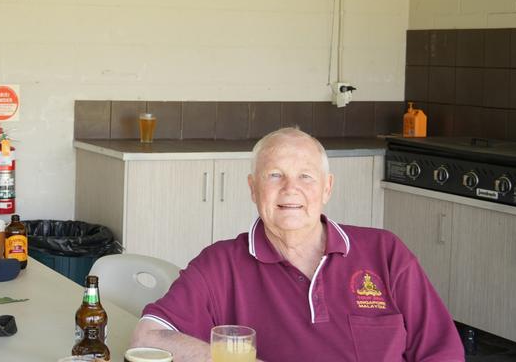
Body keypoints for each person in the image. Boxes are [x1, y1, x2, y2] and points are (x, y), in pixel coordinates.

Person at [131, 127, 462, 362]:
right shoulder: (220, 265)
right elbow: (150, 337)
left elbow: (441, 351)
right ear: (253, 188)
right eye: (275, 175)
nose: (291, 188)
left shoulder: (385, 252)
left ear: (327, 188)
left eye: (306, 176)